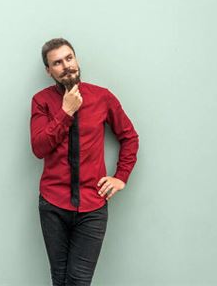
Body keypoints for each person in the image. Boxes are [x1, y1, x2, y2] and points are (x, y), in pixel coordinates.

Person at [30, 38, 139, 286]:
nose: (66, 66)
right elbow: (39, 148)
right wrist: (66, 112)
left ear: (76, 60)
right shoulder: (41, 101)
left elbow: (129, 137)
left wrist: (121, 177)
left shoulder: (102, 97)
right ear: (48, 71)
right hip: (53, 205)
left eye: (69, 58)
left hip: (92, 207)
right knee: (59, 279)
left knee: (78, 281)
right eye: (57, 63)